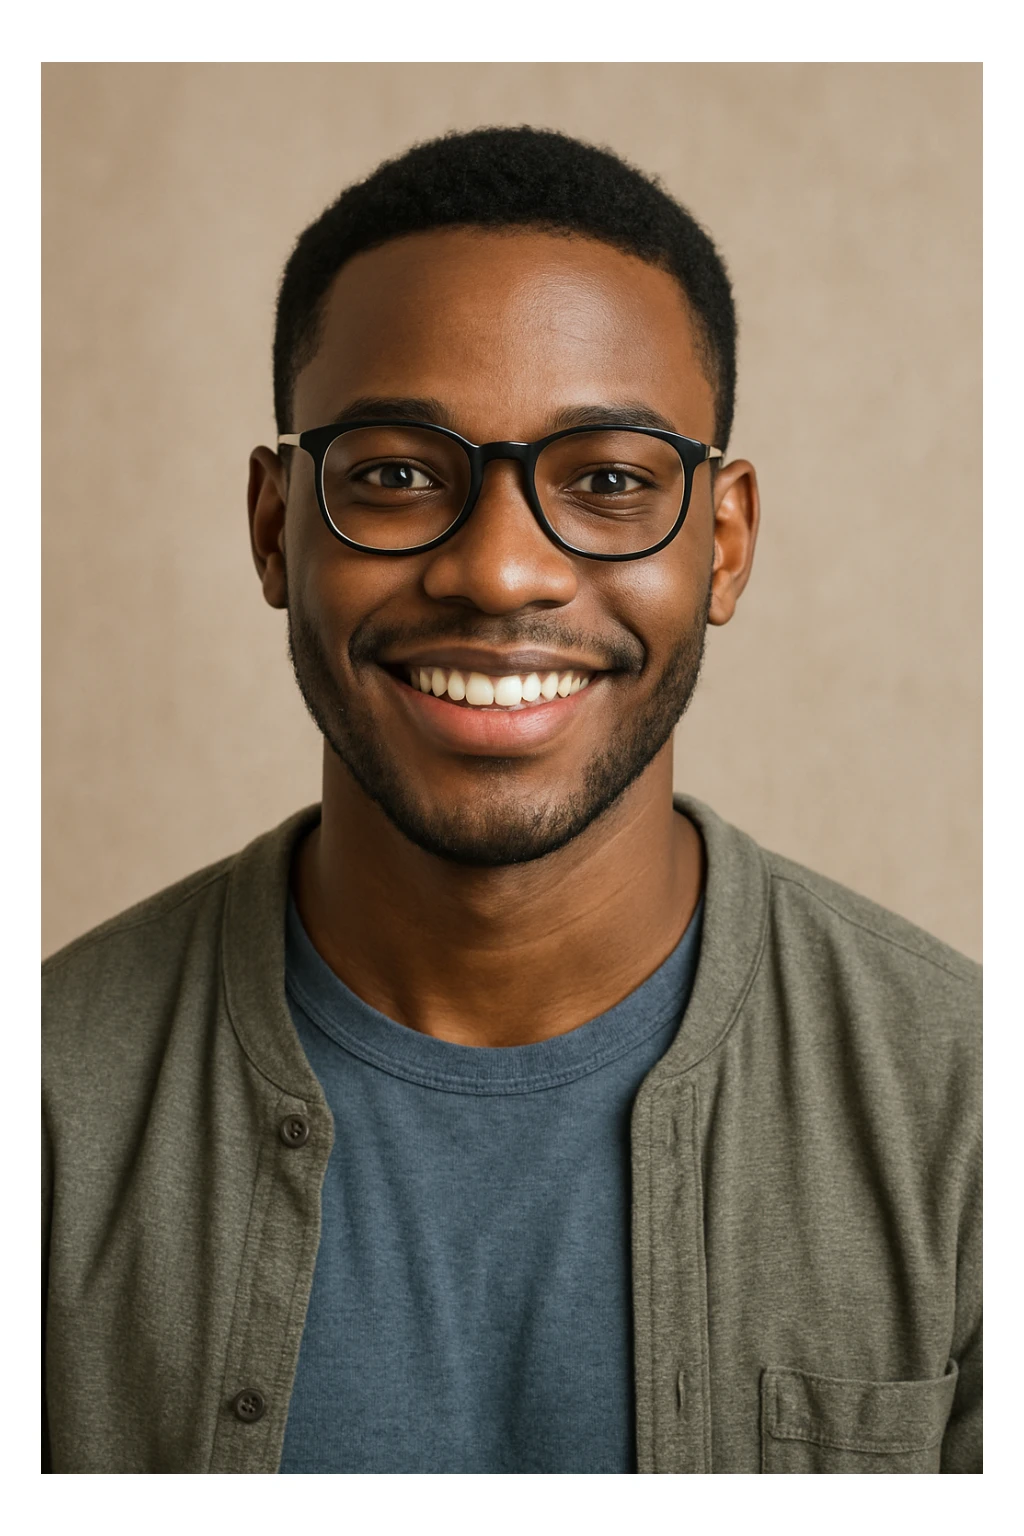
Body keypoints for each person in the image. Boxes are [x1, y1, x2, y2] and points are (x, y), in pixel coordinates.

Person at [41, 126, 981, 1475]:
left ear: (724, 544)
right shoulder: (51, 1120)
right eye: (396, 473)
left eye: (607, 480)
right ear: (272, 528)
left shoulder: (964, 1113)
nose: (497, 570)